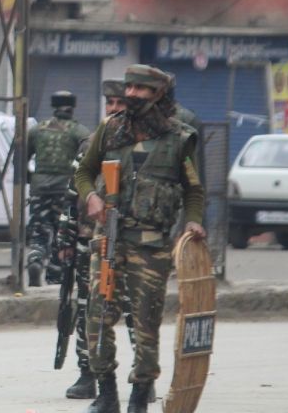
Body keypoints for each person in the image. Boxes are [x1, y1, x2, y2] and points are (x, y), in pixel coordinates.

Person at [74, 65, 205, 413]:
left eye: (140, 89)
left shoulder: (180, 138)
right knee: (98, 317)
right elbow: (84, 172)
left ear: (158, 94)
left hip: (150, 245)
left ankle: (139, 395)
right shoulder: (110, 130)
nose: (131, 94)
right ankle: (106, 395)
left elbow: (194, 190)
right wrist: (91, 196)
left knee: (146, 321)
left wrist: (193, 221)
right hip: (107, 240)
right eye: (129, 87)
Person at [55, 79, 127, 400]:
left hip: (130, 241)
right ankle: (88, 372)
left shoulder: (142, 145)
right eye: (109, 103)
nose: (113, 109)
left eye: (119, 103)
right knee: (88, 307)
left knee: (135, 311)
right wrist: (66, 239)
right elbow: (72, 195)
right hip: (90, 241)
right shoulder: (90, 144)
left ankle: (143, 377)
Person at [26, 90, 90, 286]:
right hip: (65, 192)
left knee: (40, 230)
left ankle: (35, 259)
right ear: (72, 107)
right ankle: (54, 276)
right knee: (62, 233)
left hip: (39, 189)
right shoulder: (80, 132)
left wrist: (33, 179)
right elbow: (85, 163)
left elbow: (21, 159)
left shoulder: (37, 130)